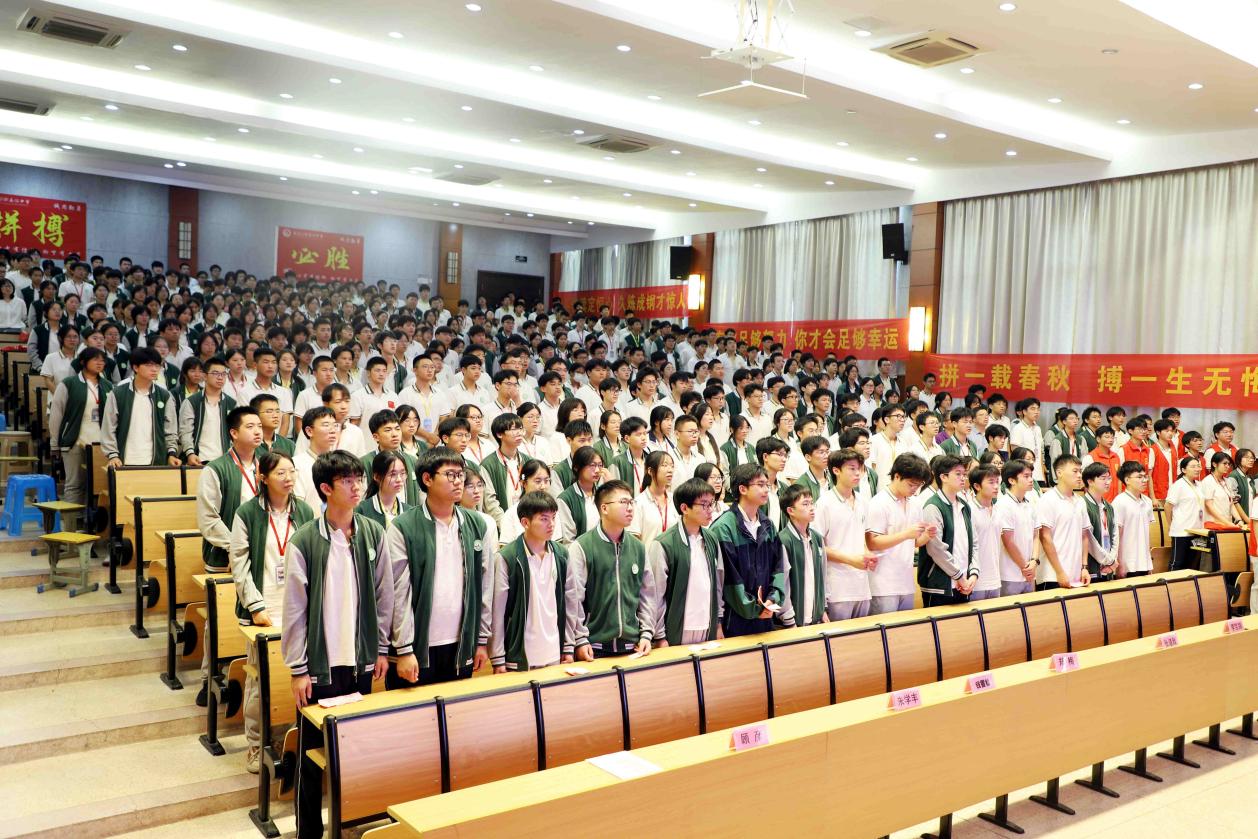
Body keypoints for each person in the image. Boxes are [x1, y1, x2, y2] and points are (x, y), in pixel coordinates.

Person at [283, 450, 416, 839]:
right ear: (326, 489)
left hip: (359, 661)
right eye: (347, 481)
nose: (356, 486)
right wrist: (298, 669)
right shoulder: (305, 540)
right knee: (312, 756)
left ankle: (348, 825)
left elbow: (386, 596)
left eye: (359, 479)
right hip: (319, 665)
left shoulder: (373, 533)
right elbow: (295, 610)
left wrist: (381, 649)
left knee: (354, 751)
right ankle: (309, 832)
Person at [229, 451, 315, 773]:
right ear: (263, 478)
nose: (288, 478)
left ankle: (290, 739)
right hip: (263, 611)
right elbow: (239, 563)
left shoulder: (304, 510)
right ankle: (256, 743)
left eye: (292, 471)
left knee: (297, 677)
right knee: (260, 680)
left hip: (297, 608)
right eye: (281, 473)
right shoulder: (247, 513)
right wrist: (255, 606)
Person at [384, 447, 493, 686]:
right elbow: (398, 593)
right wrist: (403, 649)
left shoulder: (478, 524)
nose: (458, 481)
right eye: (450, 475)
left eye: (461, 474)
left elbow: (485, 586)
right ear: (427, 479)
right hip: (417, 647)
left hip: (461, 644)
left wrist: (481, 640)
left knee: (458, 709)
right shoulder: (403, 527)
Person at [564, 479, 655, 659]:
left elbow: (647, 595)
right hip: (594, 647)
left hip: (634, 646)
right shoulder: (582, 547)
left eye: (631, 502)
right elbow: (574, 599)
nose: (630, 508)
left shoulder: (638, 547)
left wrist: (646, 633)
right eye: (623, 502)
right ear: (604, 508)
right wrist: (580, 639)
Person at [490, 491, 573, 672]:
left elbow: (570, 603)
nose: (551, 524)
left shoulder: (562, 554)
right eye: (544, 519)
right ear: (525, 523)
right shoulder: (507, 558)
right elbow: (497, 612)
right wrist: (498, 657)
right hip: (520, 655)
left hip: (554, 652)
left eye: (553, 518)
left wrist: (568, 646)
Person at [642, 477, 724, 647]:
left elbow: (718, 585)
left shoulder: (711, 539)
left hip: (707, 627)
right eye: (704, 505)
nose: (710, 510)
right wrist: (659, 636)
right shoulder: (664, 543)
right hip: (677, 630)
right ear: (685, 508)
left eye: (711, 504)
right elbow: (656, 595)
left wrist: (718, 623)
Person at [709, 464, 789, 636]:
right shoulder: (724, 528)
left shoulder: (768, 525)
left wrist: (772, 599)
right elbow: (729, 580)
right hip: (735, 620)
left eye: (767, 485)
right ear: (743, 489)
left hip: (766, 615)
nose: (766, 490)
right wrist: (755, 608)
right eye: (760, 485)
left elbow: (778, 568)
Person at [865, 453, 934, 614]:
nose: (915, 489)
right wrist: (906, 534)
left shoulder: (915, 503)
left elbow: (914, 542)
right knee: (885, 628)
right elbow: (872, 542)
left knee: (906, 628)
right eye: (911, 484)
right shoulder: (879, 503)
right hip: (883, 584)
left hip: (906, 581)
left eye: (918, 485)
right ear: (897, 476)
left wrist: (927, 535)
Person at [48, 346, 110, 505]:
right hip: (74, 441)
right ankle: (73, 519)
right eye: (95, 359)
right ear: (83, 362)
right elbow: (56, 414)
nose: (100, 363)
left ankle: (90, 519)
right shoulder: (69, 384)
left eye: (103, 360)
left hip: (100, 445)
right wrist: (55, 443)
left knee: (98, 485)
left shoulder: (108, 386)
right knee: (75, 484)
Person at [101, 347, 181, 467]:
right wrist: (113, 455)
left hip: (156, 461)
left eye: (157, 365)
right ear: (136, 367)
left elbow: (170, 429)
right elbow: (109, 427)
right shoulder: (118, 394)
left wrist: (172, 453)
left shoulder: (165, 395)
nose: (154, 369)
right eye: (149, 365)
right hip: (124, 461)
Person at [916, 456, 978, 607]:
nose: (963, 478)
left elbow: (974, 543)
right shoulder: (933, 506)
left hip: (964, 582)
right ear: (943, 477)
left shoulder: (964, 505)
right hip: (939, 586)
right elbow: (936, 549)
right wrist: (959, 576)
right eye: (958, 474)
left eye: (964, 474)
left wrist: (973, 574)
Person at [1037, 455, 1092, 590]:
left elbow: (1084, 536)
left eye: (1080, 471)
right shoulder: (1047, 499)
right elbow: (1045, 537)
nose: (1079, 475)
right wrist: (1060, 572)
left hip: (1076, 574)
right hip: (1052, 575)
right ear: (1059, 473)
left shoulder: (1080, 501)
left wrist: (1084, 567)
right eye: (1075, 471)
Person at [777, 484, 828, 627]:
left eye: (812, 503)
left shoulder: (817, 538)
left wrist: (822, 609)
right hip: (793, 621)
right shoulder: (783, 540)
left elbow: (823, 575)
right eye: (805, 504)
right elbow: (782, 584)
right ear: (790, 510)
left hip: (815, 617)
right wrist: (788, 619)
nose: (811, 508)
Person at [179, 355, 234, 465]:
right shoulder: (191, 402)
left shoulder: (232, 403)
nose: (220, 377)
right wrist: (190, 453)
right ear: (204, 376)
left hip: (225, 461)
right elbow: (185, 432)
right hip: (199, 459)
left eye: (223, 374)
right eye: (215, 373)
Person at [996, 458, 1040, 596]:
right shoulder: (1003, 504)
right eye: (1026, 476)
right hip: (1010, 574)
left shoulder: (1030, 504)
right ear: (1011, 480)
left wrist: (1034, 561)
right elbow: (1008, 541)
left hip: (1030, 572)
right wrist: (1024, 567)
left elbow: (1036, 536)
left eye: (1031, 476)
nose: (1031, 480)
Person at [1112, 460, 1155, 578]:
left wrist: (1149, 562)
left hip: (1144, 562)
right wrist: (1119, 563)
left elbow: (1147, 534)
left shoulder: (1148, 501)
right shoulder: (1119, 502)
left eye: (1145, 476)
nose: (1144, 480)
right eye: (1139, 477)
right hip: (1127, 563)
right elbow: (1116, 535)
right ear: (1127, 480)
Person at [967, 464, 1003, 601]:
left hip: (995, 579)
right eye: (991, 482)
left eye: (997, 482)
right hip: (975, 581)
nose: (996, 486)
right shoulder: (968, 510)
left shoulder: (998, 509)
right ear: (977, 486)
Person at [499, 460, 553, 547]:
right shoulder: (510, 514)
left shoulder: (553, 511)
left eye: (546, 481)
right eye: (538, 481)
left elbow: (558, 545)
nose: (543, 486)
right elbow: (505, 550)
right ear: (523, 483)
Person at [1166, 456, 1207, 571]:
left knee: (1192, 564)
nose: (1197, 469)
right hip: (1181, 531)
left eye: (1198, 466)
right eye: (1193, 467)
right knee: (1177, 563)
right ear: (1183, 470)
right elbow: (1167, 506)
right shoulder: (1178, 485)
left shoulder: (1199, 485)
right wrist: (1170, 525)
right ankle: (1171, 582)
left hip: (1197, 530)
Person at [1081, 463, 1120, 582]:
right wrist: (1109, 560)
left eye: (1109, 478)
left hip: (1109, 567)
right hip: (1092, 568)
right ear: (1090, 481)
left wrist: (1112, 558)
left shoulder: (1109, 506)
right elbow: (1089, 539)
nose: (1108, 482)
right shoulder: (1082, 504)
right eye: (1103, 478)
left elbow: (1115, 535)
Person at [293, 406, 340, 505]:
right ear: (309, 431)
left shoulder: (341, 462)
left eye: (335, 425)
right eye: (326, 425)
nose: (333, 430)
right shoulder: (296, 464)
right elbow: (298, 505)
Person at [356, 450, 412, 528]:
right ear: (377, 477)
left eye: (402, 473)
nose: (399, 479)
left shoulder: (409, 511)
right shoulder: (361, 510)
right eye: (393, 474)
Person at [629, 450, 674, 546]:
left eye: (672, 466)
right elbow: (633, 541)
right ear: (650, 471)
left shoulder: (675, 500)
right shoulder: (638, 503)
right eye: (665, 465)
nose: (670, 470)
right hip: (648, 555)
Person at [1009, 397, 1044, 484]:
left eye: (1038, 409)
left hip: (1038, 475)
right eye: (1033, 409)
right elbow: (1016, 454)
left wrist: (1043, 476)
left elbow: (1039, 453)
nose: (1036, 412)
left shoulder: (1038, 428)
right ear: (1024, 411)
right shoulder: (1018, 428)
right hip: (1024, 475)